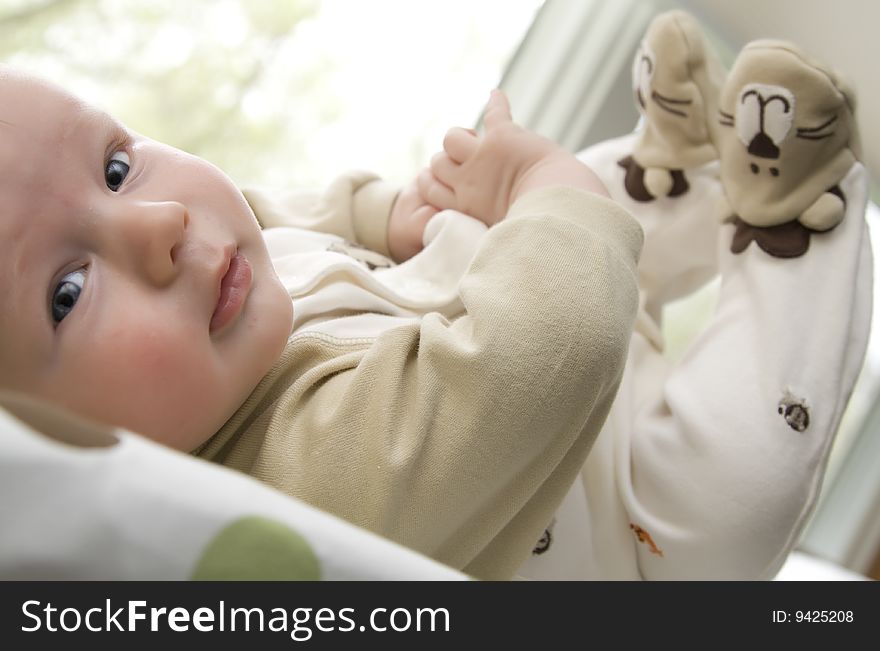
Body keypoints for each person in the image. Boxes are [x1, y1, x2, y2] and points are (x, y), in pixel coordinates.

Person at [0, 67, 643, 579]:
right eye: (68, 292)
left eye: (116, 169)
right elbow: (543, 355)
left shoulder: (218, 284)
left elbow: (272, 210)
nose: (160, 220)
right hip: (636, 502)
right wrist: (550, 183)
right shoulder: (300, 492)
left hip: (595, 319)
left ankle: (666, 165)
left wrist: (383, 213)